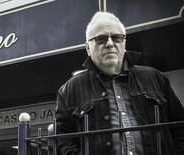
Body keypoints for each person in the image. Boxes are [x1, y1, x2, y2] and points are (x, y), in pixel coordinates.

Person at [55, 11, 184, 155]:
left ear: (124, 42)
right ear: (87, 48)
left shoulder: (155, 77)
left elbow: (179, 127)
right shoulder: (69, 90)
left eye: (116, 37)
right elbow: (62, 139)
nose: (110, 43)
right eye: (100, 38)